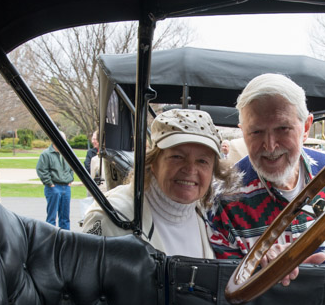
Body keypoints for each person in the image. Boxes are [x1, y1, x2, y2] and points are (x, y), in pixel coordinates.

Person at [209, 73, 325, 274]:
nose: (270, 146)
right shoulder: (224, 199)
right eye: (256, 132)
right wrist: (258, 268)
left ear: (306, 127)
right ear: (242, 131)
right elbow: (225, 290)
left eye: (283, 129)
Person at [82, 109, 240, 257]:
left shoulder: (209, 218)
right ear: (153, 161)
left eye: (202, 161)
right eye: (177, 157)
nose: (191, 169)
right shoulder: (112, 217)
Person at [36, 132, 74, 230]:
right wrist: (50, 184)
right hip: (53, 188)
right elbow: (41, 170)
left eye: (64, 139)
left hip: (66, 188)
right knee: (51, 218)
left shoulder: (67, 153)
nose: (63, 142)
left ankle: (66, 240)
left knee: (65, 218)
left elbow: (71, 168)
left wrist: (70, 180)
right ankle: (52, 241)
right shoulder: (46, 154)